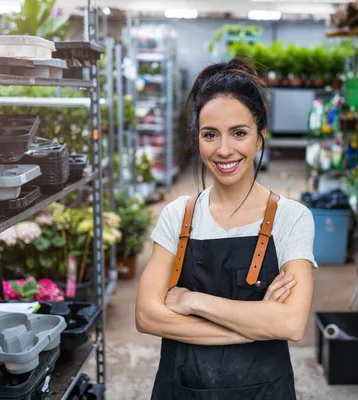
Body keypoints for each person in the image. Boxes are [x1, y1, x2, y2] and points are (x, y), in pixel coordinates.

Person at [136, 57, 317, 400]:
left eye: (239, 133)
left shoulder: (291, 217)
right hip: (181, 390)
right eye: (210, 135)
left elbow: (290, 323)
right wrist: (258, 324)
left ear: (259, 138)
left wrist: (191, 300)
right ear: (198, 140)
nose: (224, 150)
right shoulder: (178, 215)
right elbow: (147, 316)